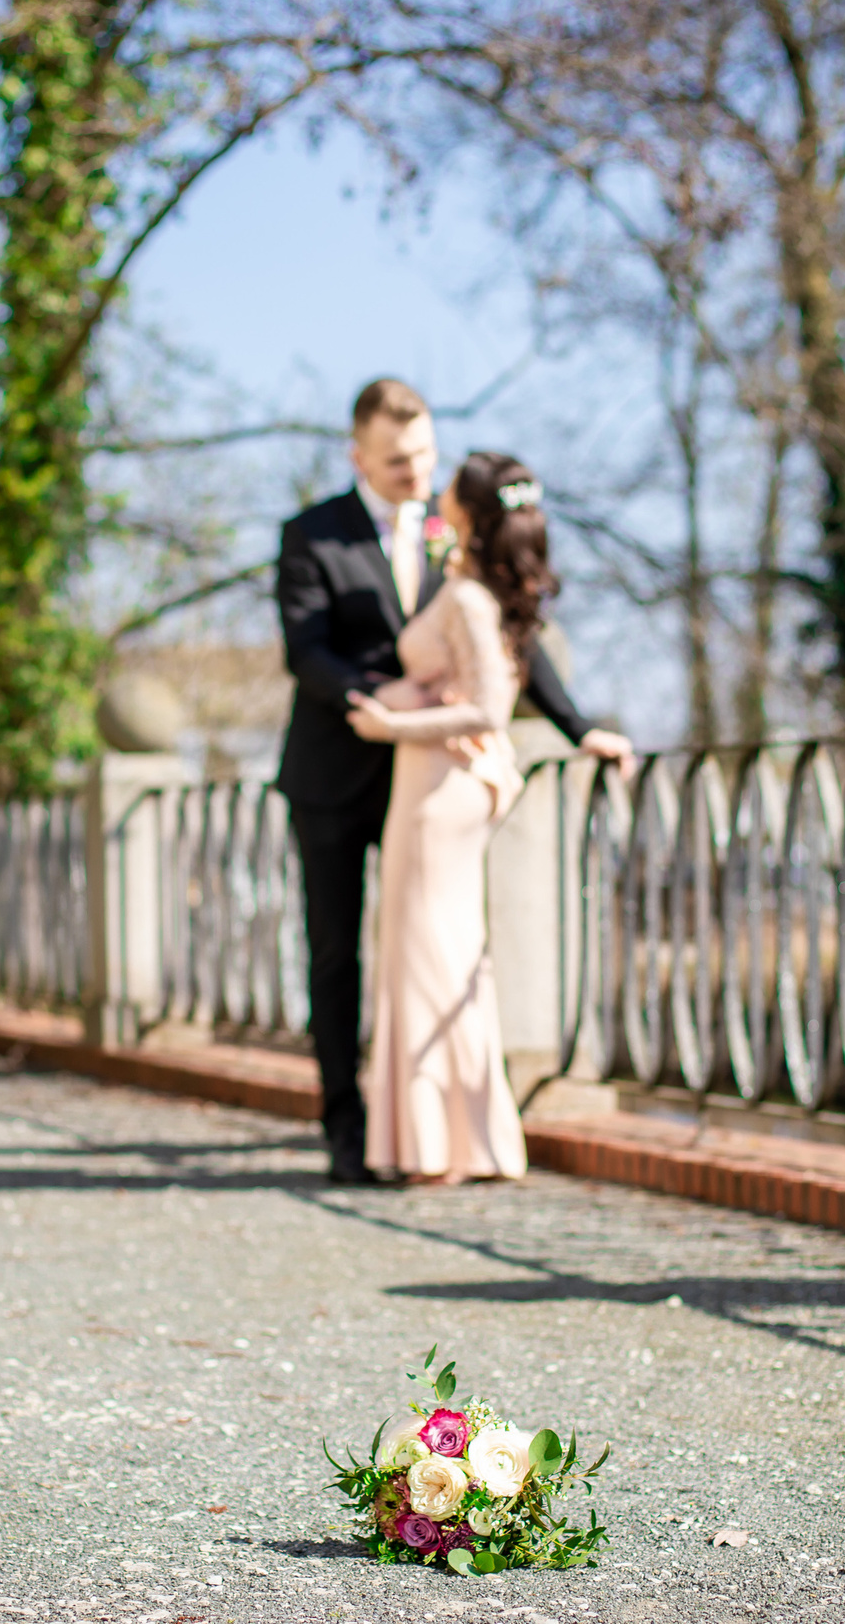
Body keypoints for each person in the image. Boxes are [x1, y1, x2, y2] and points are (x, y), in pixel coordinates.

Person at [274, 380, 632, 1185]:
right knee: (337, 954)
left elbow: (509, 636)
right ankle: (347, 1125)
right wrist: (376, 701)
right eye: (400, 459)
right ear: (358, 454)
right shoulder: (311, 533)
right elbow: (307, 649)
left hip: (433, 777)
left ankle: (434, 1129)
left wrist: (578, 726)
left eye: (426, 454)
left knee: (433, 952)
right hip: (338, 766)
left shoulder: (454, 531)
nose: (416, 472)